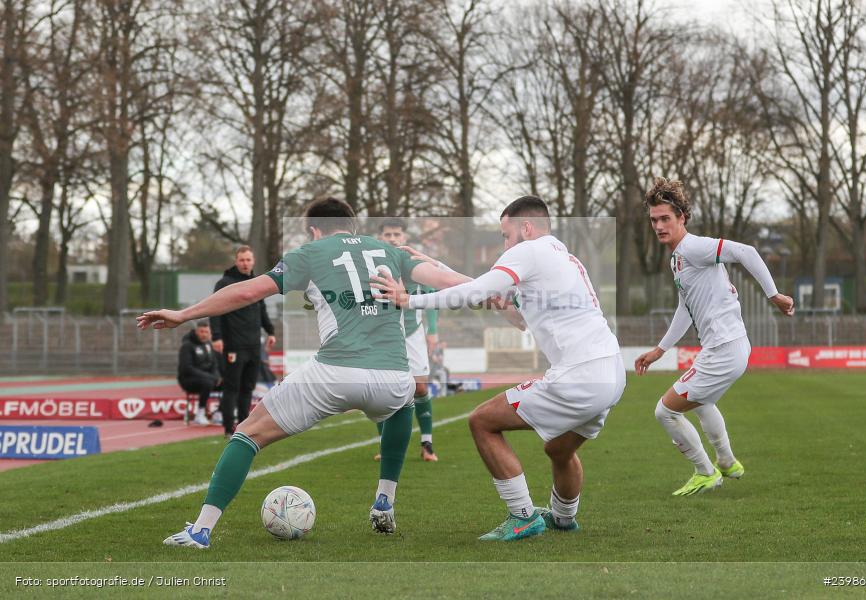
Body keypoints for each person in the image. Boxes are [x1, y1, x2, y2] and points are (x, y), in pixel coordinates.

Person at [137, 197, 468, 549]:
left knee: (247, 435)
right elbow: (451, 281)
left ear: (313, 230)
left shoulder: (309, 253)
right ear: (353, 226)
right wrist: (507, 289)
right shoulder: (391, 251)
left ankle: (201, 530)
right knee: (402, 405)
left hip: (334, 372)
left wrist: (184, 314)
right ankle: (384, 500)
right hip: (392, 376)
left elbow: (248, 291)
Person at [372, 196, 625, 542]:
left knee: (482, 421)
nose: (503, 245)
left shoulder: (528, 252)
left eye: (505, 236)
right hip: (611, 372)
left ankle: (522, 517)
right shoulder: (562, 257)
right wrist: (439, 268)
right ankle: (564, 518)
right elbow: (503, 301)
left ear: (525, 228)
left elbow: (480, 289)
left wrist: (410, 300)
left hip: (580, 375)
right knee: (558, 450)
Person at [634, 178, 794, 496]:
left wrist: (773, 294)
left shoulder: (693, 247)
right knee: (702, 402)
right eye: (654, 220)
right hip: (723, 347)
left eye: (665, 218)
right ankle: (727, 462)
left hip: (725, 347)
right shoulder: (677, 258)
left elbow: (745, 251)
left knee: (665, 411)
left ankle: (705, 472)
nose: (659, 225)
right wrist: (660, 349)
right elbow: (685, 306)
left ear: (682, 217)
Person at [374, 218, 440, 462]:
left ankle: (427, 444)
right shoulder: (372, 263)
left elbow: (432, 295)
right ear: (379, 237)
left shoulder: (413, 263)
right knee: (383, 390)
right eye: (388, 234)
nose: (392, 238)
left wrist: (432, 331)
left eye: (397, 234)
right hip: (383, 334)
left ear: (404, 238)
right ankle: (385, 444)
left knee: (420, 387)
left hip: (413, 331)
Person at [210, 246, 277, 436]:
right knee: (232, 386)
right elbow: (214, 309)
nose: (245, 263)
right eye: (242, 260)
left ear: (253, 261)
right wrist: (216, 336)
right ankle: (227, 427)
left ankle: (242, 426)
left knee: (248, 387)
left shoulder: (256, 282)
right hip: (234, 344)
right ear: (236, 261)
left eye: (248, 260)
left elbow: (261, 309)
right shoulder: (224, 283)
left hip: (254, 344)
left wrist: (270, 331)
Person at [177, 320, 222, 426]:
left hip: (207, 378)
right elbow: (187, 368)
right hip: (188, 379)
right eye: (202, 332)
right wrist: (211, 377)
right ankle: (200, 414)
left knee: (230, 383)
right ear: (196, 331)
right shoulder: (187, 346)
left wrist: (217, 377)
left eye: (206, 332)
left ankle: (219, 413)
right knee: (208, 383)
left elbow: (214, 365)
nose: (204, 334)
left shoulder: (208, 345)